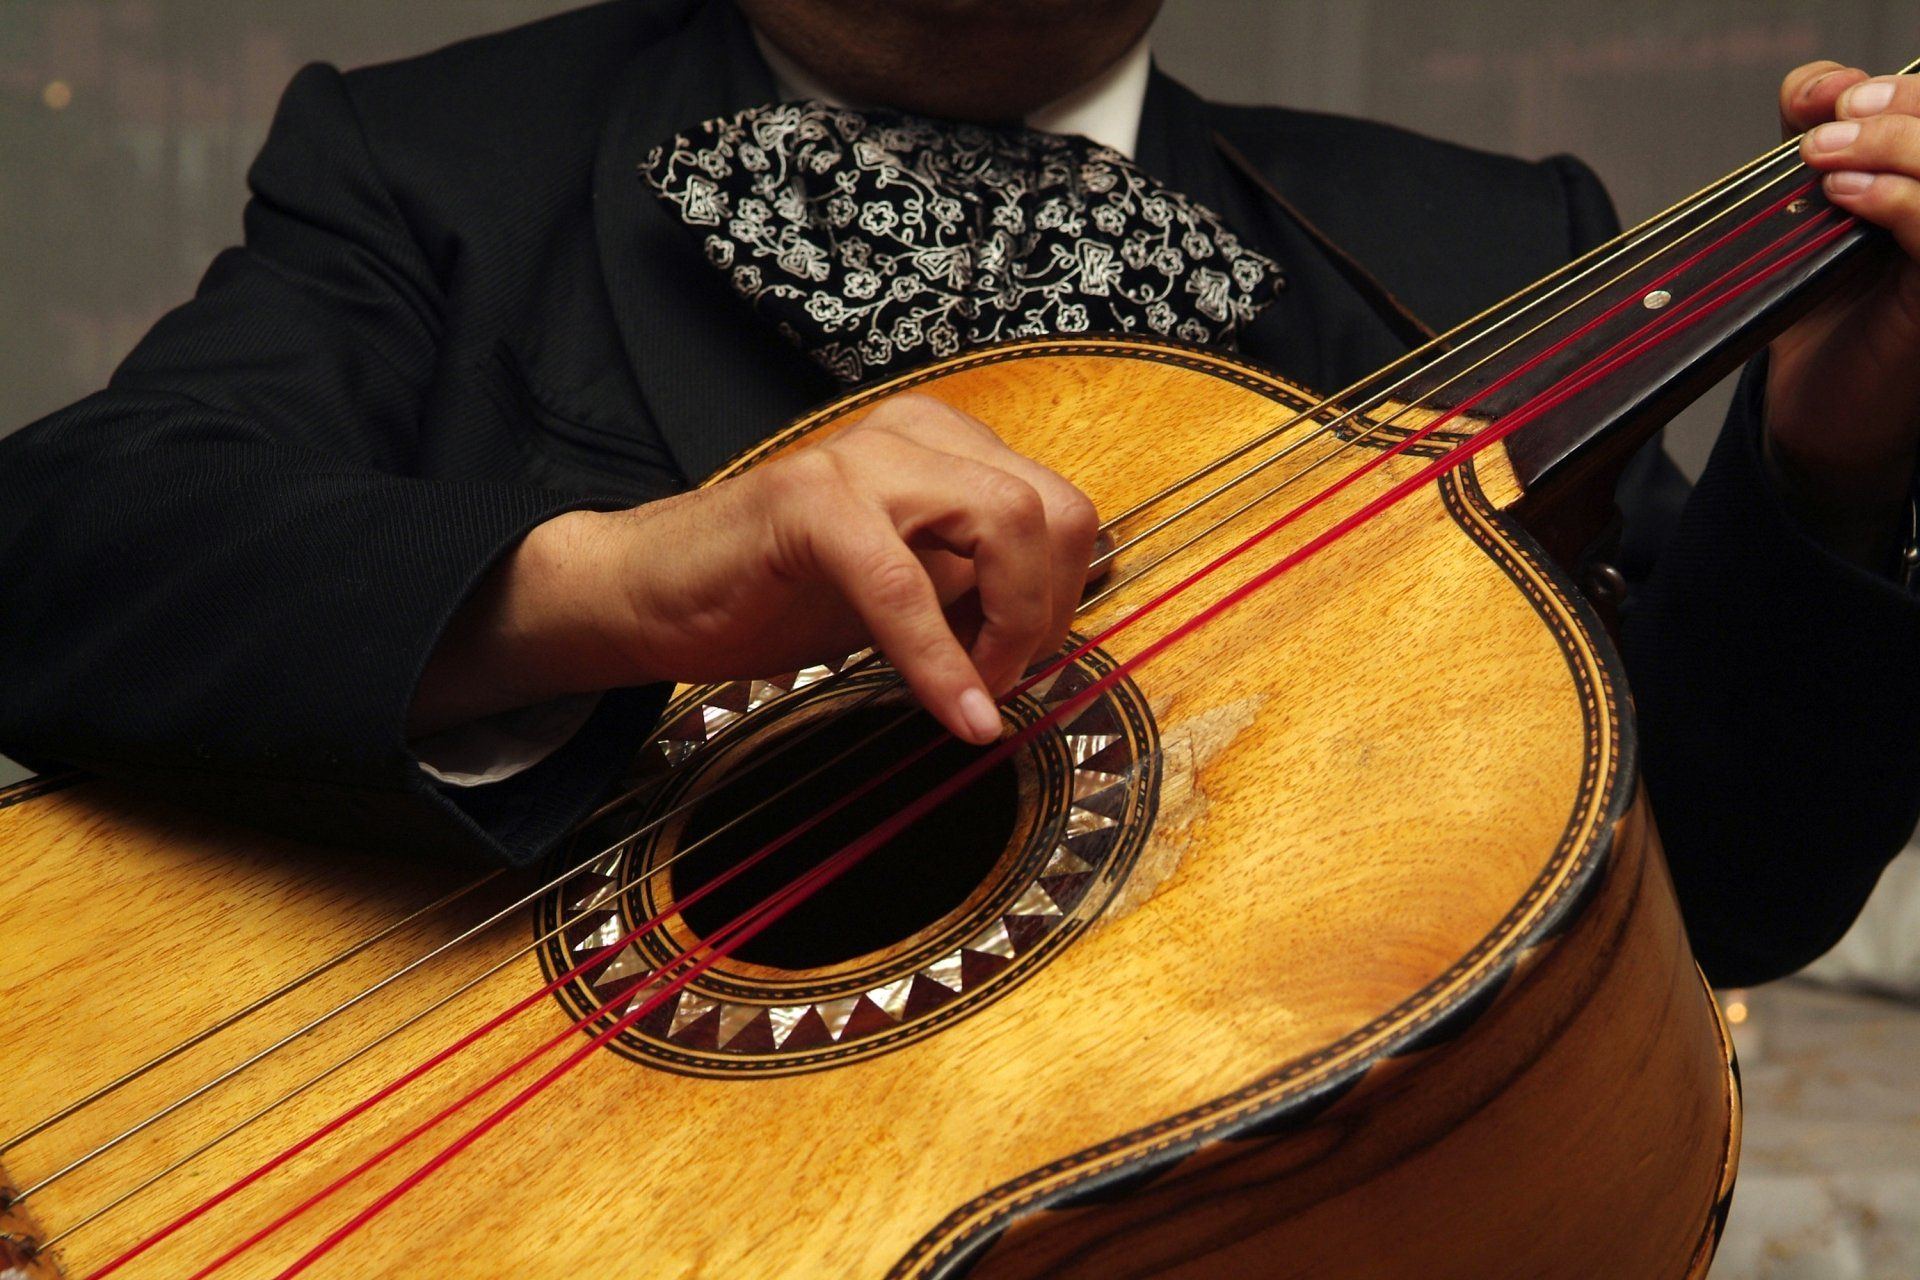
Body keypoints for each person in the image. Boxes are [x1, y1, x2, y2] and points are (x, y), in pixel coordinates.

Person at [0, 0, 1916, 988]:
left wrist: (1826, 467)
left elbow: (1716, 905)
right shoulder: (435, 150)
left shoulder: (1494, 241)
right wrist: (624, 584)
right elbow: (60, 556)